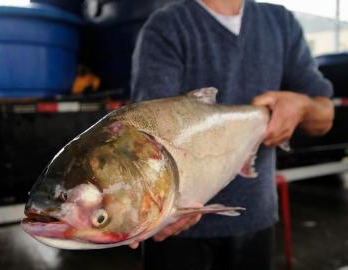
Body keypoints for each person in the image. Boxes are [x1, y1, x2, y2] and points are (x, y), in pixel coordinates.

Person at [129, 0, 335, 269]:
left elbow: (325, 116)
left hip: (255, 221)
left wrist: (302, 106)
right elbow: (149, 136)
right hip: (179, 228)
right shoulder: (167, 24)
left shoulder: (280, 22)